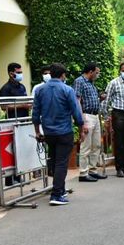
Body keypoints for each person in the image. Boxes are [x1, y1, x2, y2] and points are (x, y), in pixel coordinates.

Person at [33, 63, 85, 206]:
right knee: (62, 163)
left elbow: (35, 112)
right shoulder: (67, 90)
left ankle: (59, 189)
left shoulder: (40, 90)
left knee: (55, 160)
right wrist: (81, 129)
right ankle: (56, 194)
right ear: (63, 75)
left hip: (48, 131)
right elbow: (76, 112)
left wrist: (37, 131)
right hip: (64, 131)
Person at [73, 63, 107, 182]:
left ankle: (92, 170)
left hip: (95, 115)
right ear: (91, 71)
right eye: (97, 72)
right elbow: (77, 101)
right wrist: (82, 121)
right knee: (86, 146)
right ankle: (83, 173)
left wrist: (100, 98)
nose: (98, 75)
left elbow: (90, 98)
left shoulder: (91, 83)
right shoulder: (79, 81)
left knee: (96, 144)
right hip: (86, 115)